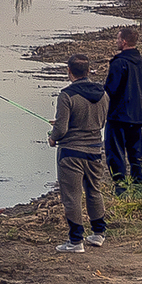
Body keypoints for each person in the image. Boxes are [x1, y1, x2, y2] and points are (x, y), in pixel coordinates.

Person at [48, 55, 110, 251]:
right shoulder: (104, 94)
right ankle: (98, 234)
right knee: (94, 190)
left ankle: (76, 241)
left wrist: (53, 136)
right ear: (88, 71)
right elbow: (99, 121)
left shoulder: (66, 95)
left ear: (69, 71)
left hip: (71, 153)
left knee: (72, 196)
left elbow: (61, 130)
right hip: (95, 151)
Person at [104, 27, 142, 193]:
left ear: (123, 42)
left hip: (118, 116)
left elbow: (111, 90)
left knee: (115, 152)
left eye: (118, 39)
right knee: (136, 152)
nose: (117, 42)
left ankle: (121, 187)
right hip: (137, 115)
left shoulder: (119, 64)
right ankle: (139, 185)